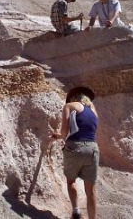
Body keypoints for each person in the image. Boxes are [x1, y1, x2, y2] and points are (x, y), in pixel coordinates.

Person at [52, 87, 99, 219]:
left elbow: (63, 133)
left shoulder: (69, 106)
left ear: (73, 97)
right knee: (91, 191)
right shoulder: (94, 112)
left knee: (71, 180)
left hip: (74, 146)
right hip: (92, 148)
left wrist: (55, 135)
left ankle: (76, 211)